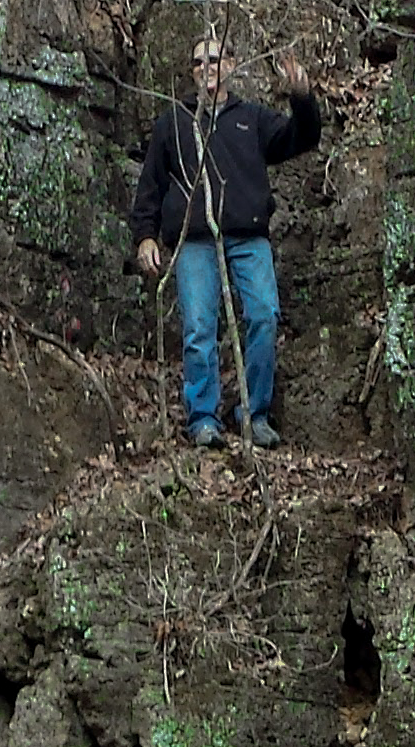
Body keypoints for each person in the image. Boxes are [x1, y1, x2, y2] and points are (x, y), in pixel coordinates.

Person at [131, 29, 320, 450]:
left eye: (214, 60)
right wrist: (146, 236)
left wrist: (302, 97)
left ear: (230, 66)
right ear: (191, 73)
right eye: (199, 62)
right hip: (194, 240)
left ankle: (254, 413)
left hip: (249, 237)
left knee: (264, 316)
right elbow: (150, 186)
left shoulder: (250, 118)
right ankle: (202, 418)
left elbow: (302, 139)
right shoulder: (174, 123)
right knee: (199, 327)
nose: (207, 68)